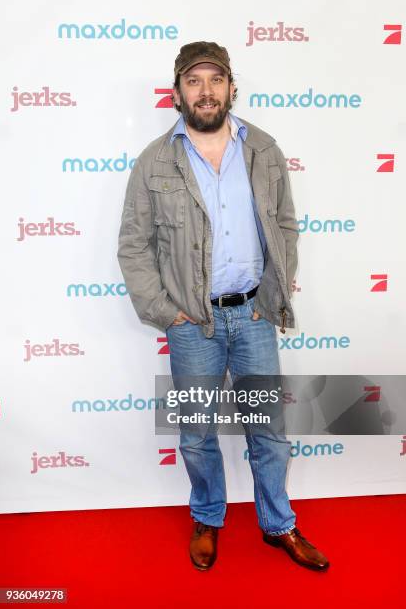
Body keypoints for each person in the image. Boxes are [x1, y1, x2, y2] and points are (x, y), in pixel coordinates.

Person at [117, 41, 329, 572]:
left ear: (232, 87)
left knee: (269, 432)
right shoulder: (153, 161)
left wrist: (274, 296)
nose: (206, 91)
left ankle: (279, 525)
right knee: (195, 434)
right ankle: (208, 518)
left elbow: (284, 224)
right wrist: (168, 311)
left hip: (254, 315)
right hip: (193, 324)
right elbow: (133, 245)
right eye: (195, 81)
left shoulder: (263, 149)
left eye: (216, 80)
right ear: (178, 92)